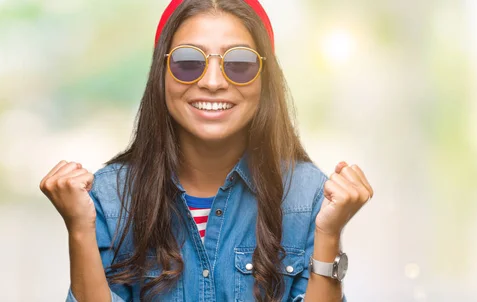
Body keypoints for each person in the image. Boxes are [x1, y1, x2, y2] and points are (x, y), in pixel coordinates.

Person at [39, 0, 373, 301]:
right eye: (188, 61)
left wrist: (329, 233)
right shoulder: (111, 198)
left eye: (239, 63)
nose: (213, 82)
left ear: (265, 79)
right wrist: (80, 228)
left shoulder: (308, 194)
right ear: (161, 74)